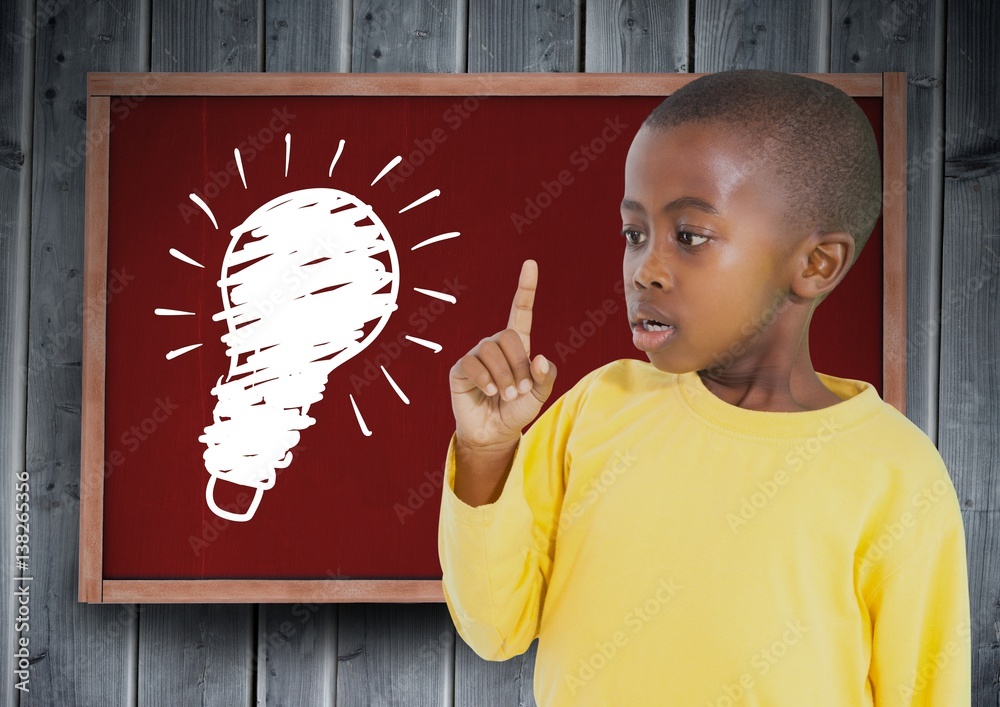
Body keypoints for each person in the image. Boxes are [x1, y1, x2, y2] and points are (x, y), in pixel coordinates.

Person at [437, 69, 971, 705]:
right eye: (635, 235)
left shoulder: (895, 472)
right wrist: (485, 454)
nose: (646, 270)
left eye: (689, 236)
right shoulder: (598, 408)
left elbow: (926, 690)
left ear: (815, 264)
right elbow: (495, 628)